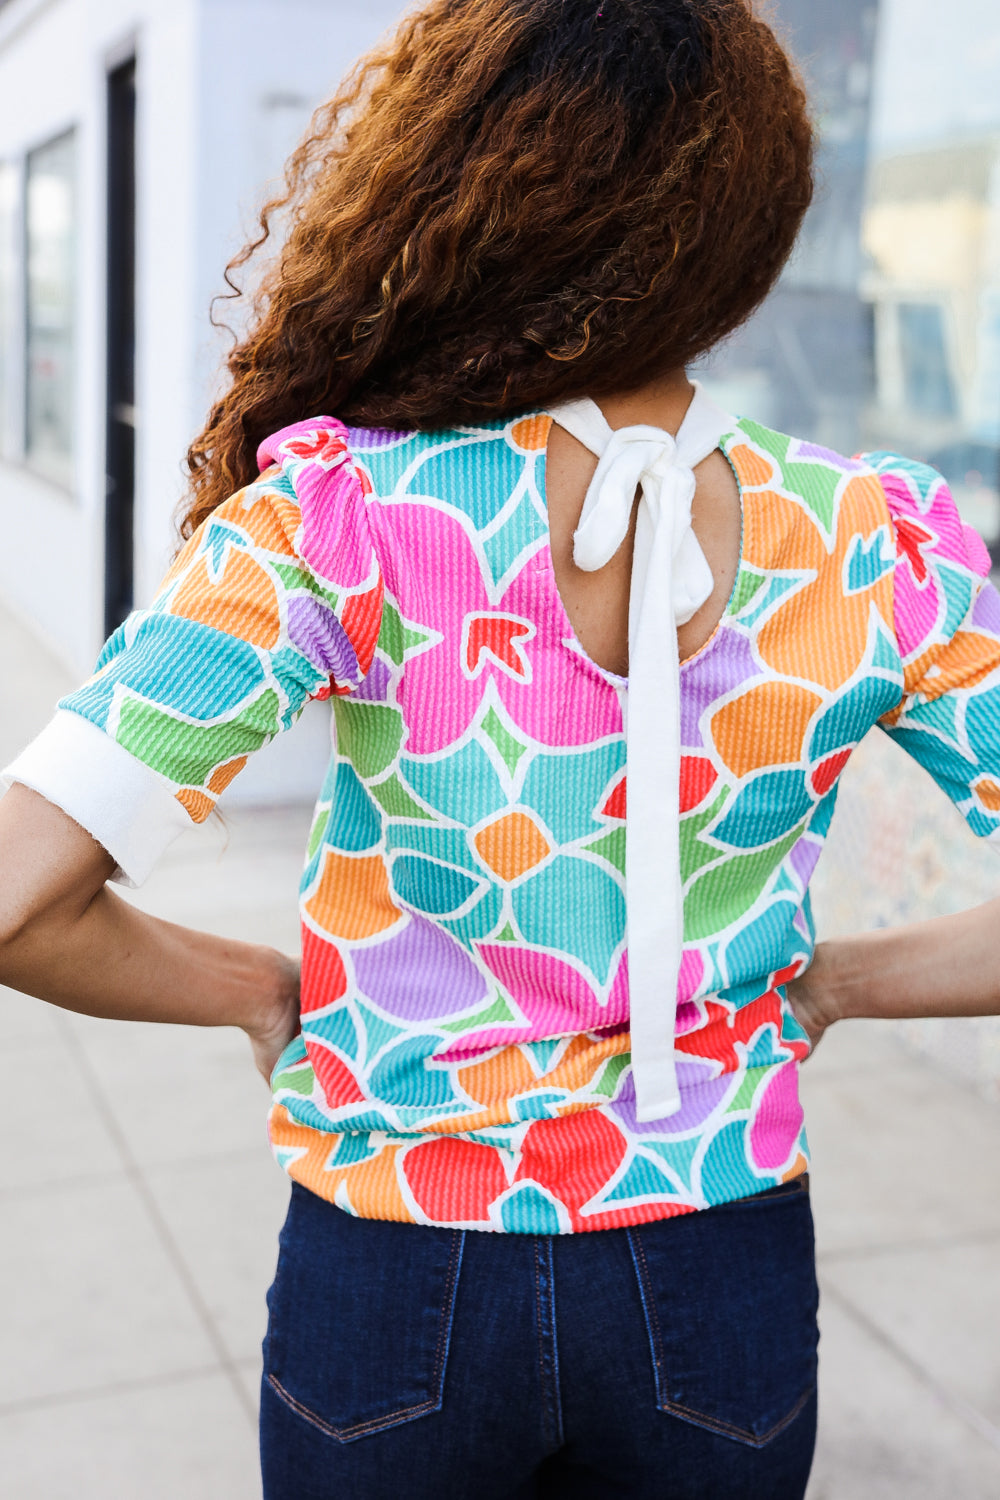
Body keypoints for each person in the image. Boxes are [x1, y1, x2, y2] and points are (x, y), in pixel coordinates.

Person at [2, 1, 1000, 1496]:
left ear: (465, 188)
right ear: (749, 229)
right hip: (715, 1269)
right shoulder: (881, 540)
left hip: (397, 1266)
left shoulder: (342, 517)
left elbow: (16, 897)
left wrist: (260, 993)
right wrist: (836, 983)